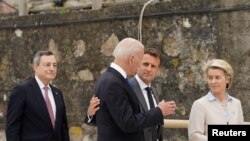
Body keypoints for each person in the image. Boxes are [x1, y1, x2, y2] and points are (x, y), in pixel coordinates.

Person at [88, 38, 176, 141]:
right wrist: (159, 111)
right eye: (143, 62)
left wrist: (90, 114)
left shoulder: (110, 78)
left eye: (153, 66)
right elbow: (127, 123)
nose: (147, 68)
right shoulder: (115, 83)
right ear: (132, 59)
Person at [6, 50, 70, 141]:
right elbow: (12, 128)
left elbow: (63, 128)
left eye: (54, 65)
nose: (52, 68)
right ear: (35, 67)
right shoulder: (22, 91)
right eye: (47, 65)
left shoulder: (58, 93)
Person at [188, 59, 244, 141]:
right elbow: (194, 136)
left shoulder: (236, 103)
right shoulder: (199, 104)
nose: (213, 81)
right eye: (210, 78)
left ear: (227, 79)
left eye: (217, 77)